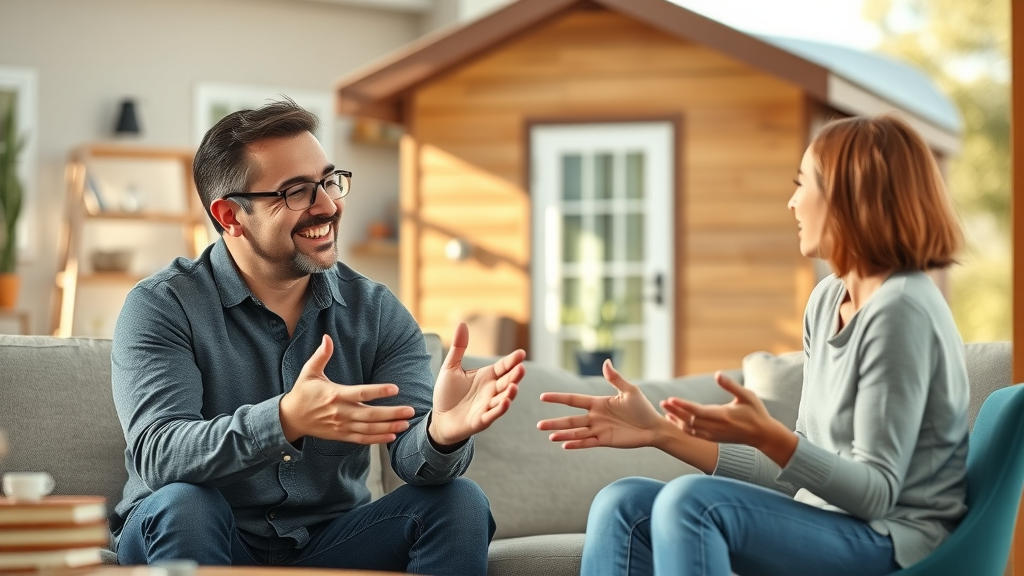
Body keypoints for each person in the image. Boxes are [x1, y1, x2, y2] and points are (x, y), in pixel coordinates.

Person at [110, 99, 526, 576]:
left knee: (458, 502)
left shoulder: (376, 311)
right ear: (230, 216)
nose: (328, 205)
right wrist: (285, 418)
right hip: (196, 531)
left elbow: (415, 460)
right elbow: (160, 455)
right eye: (296, 192)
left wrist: (441, 435)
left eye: (329, 181)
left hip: (330, 542)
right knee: (186, 504)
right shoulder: (163, 305)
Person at [538, 114, 968, 576]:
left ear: (848, 196)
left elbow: (875, 493)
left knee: (692, 504)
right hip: (831, 524)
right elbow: (802, 469)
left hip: (894, 541)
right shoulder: (828, 300)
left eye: (803, 184)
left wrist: (769, 435)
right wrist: (661, 432)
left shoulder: (901, 310)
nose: (792, 202)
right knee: (622, 503)